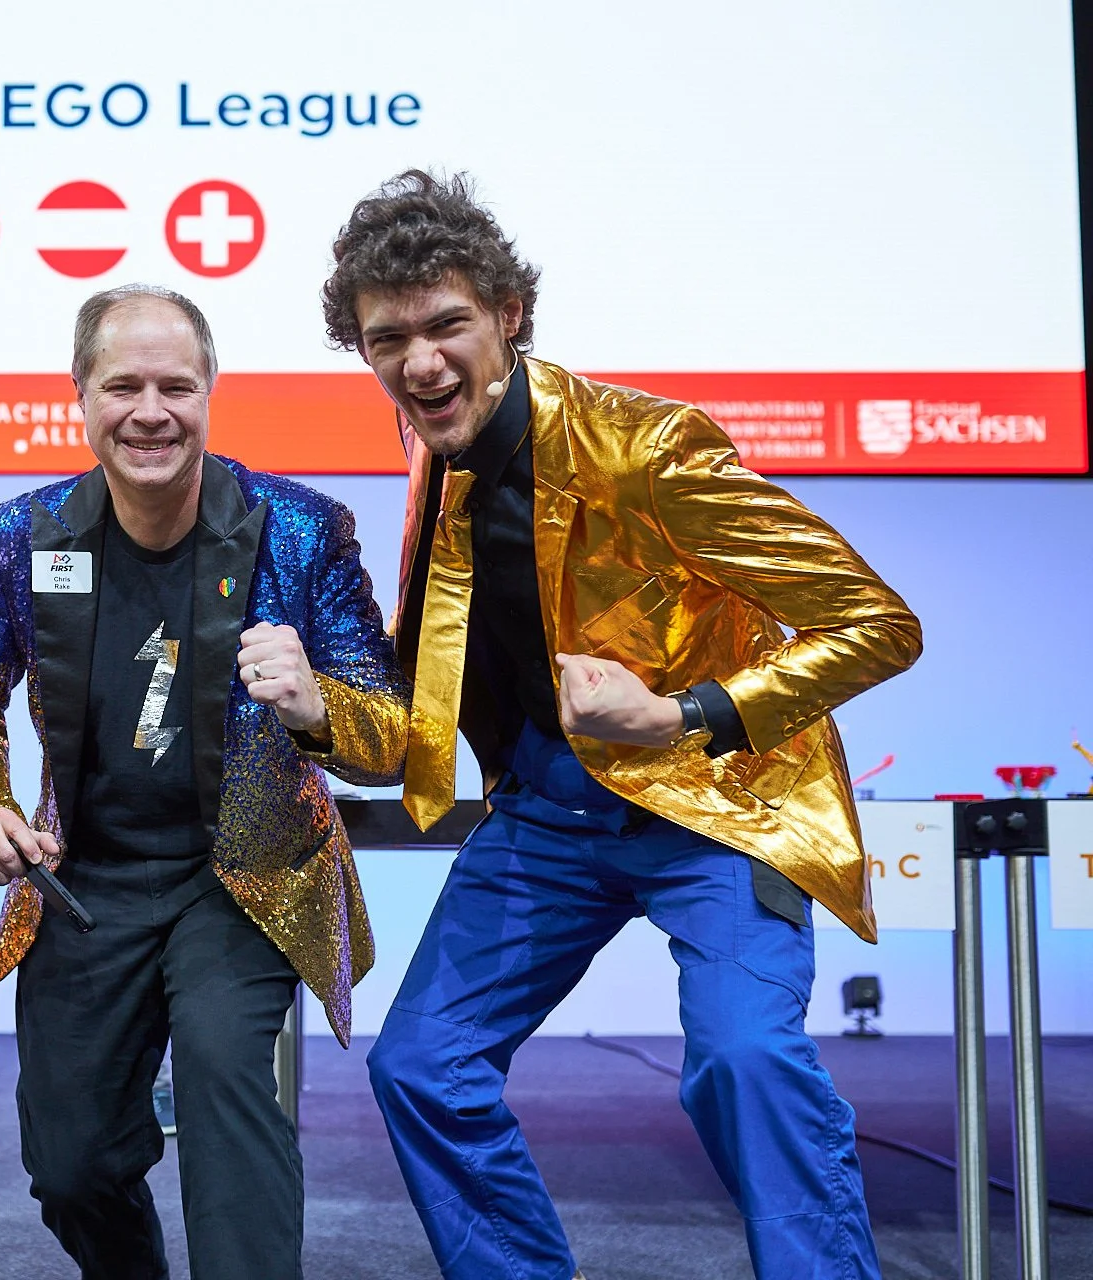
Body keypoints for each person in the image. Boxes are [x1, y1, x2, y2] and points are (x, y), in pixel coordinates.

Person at [324, 171, 923, 1280]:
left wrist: (685, 711)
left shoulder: (645, 449)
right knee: (420, 1062)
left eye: (448, 323)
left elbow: (877, 622)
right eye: (387, 337)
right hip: (548, 817)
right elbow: (431, 680)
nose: (419, 360)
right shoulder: (432, 459)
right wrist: (322, 712)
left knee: (745, 1059)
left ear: (508, 313)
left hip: (719, 807)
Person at [0, 284, 410, 1279]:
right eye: (123, 384)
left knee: (224, 1089)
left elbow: (392, 736)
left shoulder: (300, 527)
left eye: (175, 385)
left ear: (210, 392)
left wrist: (313, 705)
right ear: (79, 392)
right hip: (84, 884)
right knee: (70, 1166)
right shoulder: (25, 534)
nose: (149, 410)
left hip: (241, 879)